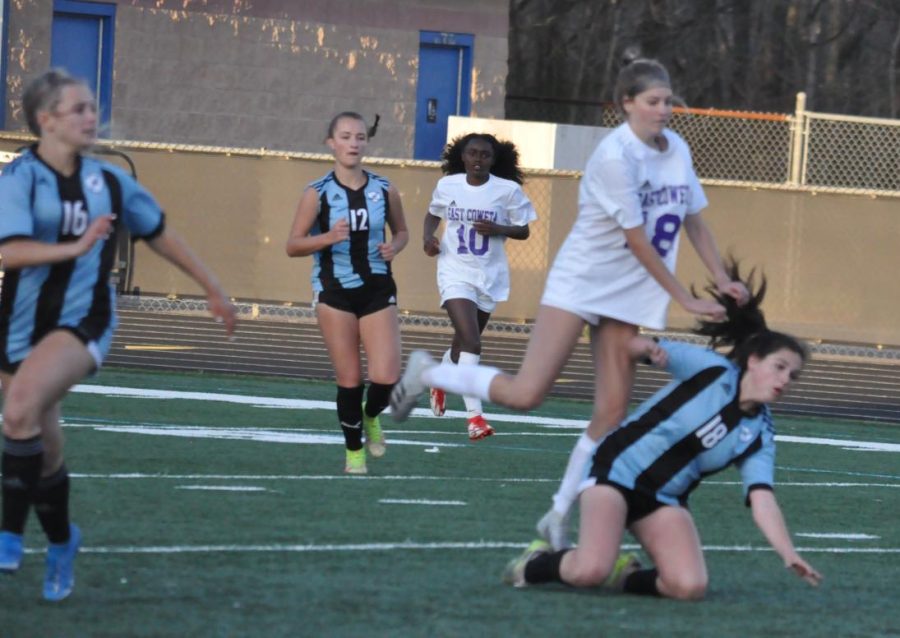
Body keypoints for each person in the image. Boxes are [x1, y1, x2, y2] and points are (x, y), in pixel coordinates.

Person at [390, 57, 749, 549]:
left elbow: (694, 221)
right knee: (527, 392)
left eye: (668, 100)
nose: (664, 108)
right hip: (583, 283)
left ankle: (558, 514)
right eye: (653, 101)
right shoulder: (615, 157)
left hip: (629, 292)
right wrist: (684, 296)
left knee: (611, 412)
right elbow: (638, 238)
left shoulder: (678, 150)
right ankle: (428, 374)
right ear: (627, 105)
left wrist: (721, 279)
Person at [0, 69, 236, 601]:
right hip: (18, 324)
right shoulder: (18, 179)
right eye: (79, 108)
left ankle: (8, 536)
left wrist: (212, 287)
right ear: (46, 120)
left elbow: (159, 233)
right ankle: (63, 541)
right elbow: (8, 251)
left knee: (17, 410)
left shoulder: (109, 181)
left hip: (83, 319)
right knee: (43, 446)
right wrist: (76, 246)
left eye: (92, 107)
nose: (92, 116)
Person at [501, 264, 823, 599]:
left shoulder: (759, 433)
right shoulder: (711, 371)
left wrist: (788, 553)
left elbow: (762, 498)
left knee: (688, 586)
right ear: (754, 361)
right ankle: (533, 563)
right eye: (780, 367)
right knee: (588, 570)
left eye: (793, 375)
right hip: (616, 472)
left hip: (662, 498)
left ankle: (622, 575)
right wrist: (643, 348)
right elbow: (635, 346)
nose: (785, 380)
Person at [286, 111, 408, 475]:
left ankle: (371, 416)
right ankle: (354, 451)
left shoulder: (385, 188)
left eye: (359, 137)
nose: (353, 143)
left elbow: (401, 232)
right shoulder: (317, 191)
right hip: (335, 291)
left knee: (386, 376)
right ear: (331, 143)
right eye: (345, 136)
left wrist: (395, 248)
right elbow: (292, 245)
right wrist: (327, 237)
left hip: (377, 289)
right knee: (350, 379)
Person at [423, 133, 537, 440]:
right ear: (462, 156)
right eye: (472, 153)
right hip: (454, 271)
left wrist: (499, 228)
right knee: (472, 343)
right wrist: (428, 240)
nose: (477, 159)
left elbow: (524, 230)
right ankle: (475, 418)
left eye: (484, 155)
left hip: (489, 275)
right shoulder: (449, 185)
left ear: (493, 159)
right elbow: (433, 214)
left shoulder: (507, 190)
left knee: (463, 347)